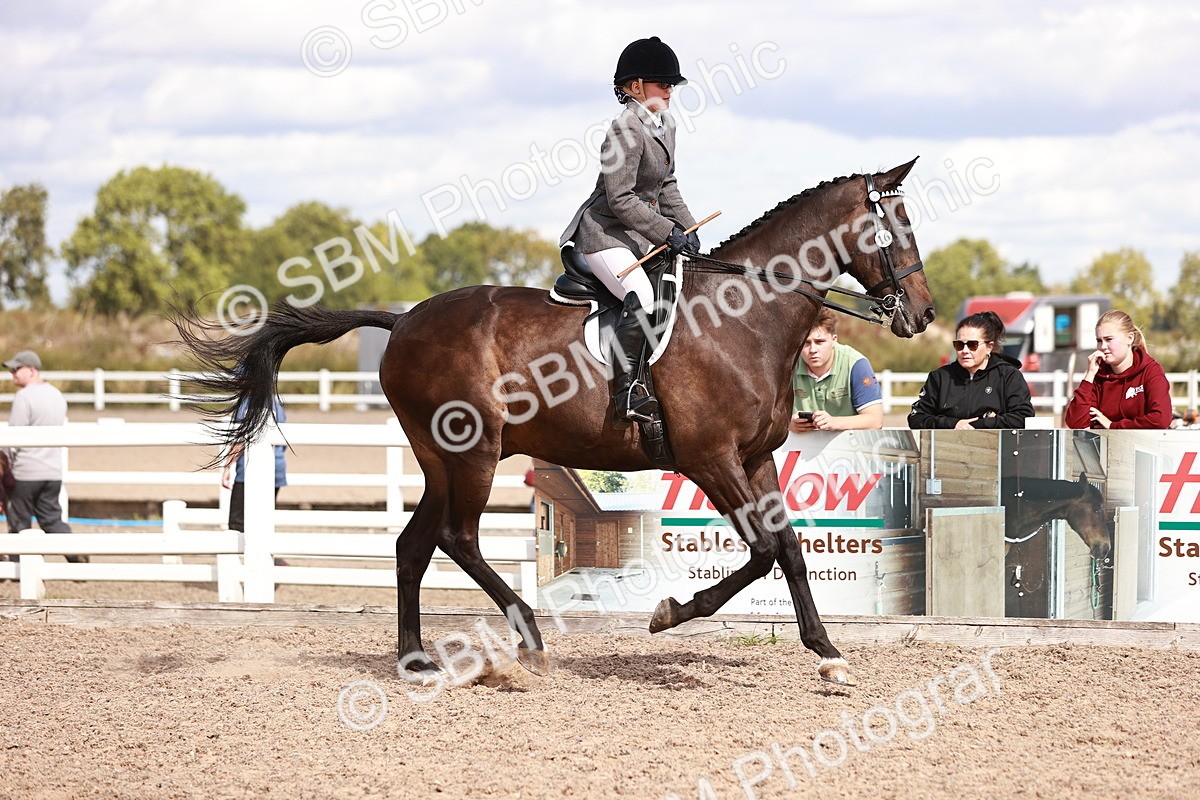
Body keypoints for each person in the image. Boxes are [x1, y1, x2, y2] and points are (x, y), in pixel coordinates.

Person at [559, 36, 699, 424]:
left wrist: (687, 227)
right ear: (634, 86)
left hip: (637, 235)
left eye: (672, 84)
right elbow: (620, 199)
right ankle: (628, 393)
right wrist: (665, 231)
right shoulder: (624, 131)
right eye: (662, 83)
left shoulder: (664, 124)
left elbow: (666, 186)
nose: (670, 90)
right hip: (604, 235)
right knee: (640, 294)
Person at [2, 350, 86, 562]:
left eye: (16, 369)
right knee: (51, 520)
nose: (12, 373)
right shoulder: (56, 394)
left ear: (31, 370)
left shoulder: (24, 397)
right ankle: (75, 555)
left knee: (19, 521)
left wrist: (5, 468)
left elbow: (15, 437)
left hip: (26, 472)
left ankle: (17, 567)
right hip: (52, 471)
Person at [908, 311, 1034, 429]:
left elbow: (1023, 417)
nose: (965, 351)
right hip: (948, 448)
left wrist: (979, 424)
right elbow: (916, 418)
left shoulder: (1009, 376)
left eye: (972, 345)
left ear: (989, 347)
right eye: (959, 345)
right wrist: (952, 424)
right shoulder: (940, 377)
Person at [1064, 309, 1172, 429]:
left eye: (1109, 339)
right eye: (1099, 341)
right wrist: (1089, 376)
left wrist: (1113, 426)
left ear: (1130, 338)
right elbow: (1075, 422)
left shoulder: (1150, 371)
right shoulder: (1098, 376)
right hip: (1105, 447)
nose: (1103, 346)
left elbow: (1160, 419)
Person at [789, 309, 883, 432]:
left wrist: (834, 422)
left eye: (819, 342)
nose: (812, 349)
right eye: (806, 343)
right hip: (799, 446)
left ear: (834, 340)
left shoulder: (856, 364)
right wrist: (788, 424)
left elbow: (875, 421)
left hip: (849, 446)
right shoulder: (788, 365)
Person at [222, 397, 288, 557]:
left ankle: (237, 570)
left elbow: (241, 439)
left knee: (237, 523)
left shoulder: (247, 402)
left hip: (249, 470)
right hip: (277, 468)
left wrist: (227, 465)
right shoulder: (275, 402)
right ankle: (267, 563)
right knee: (263, 521)